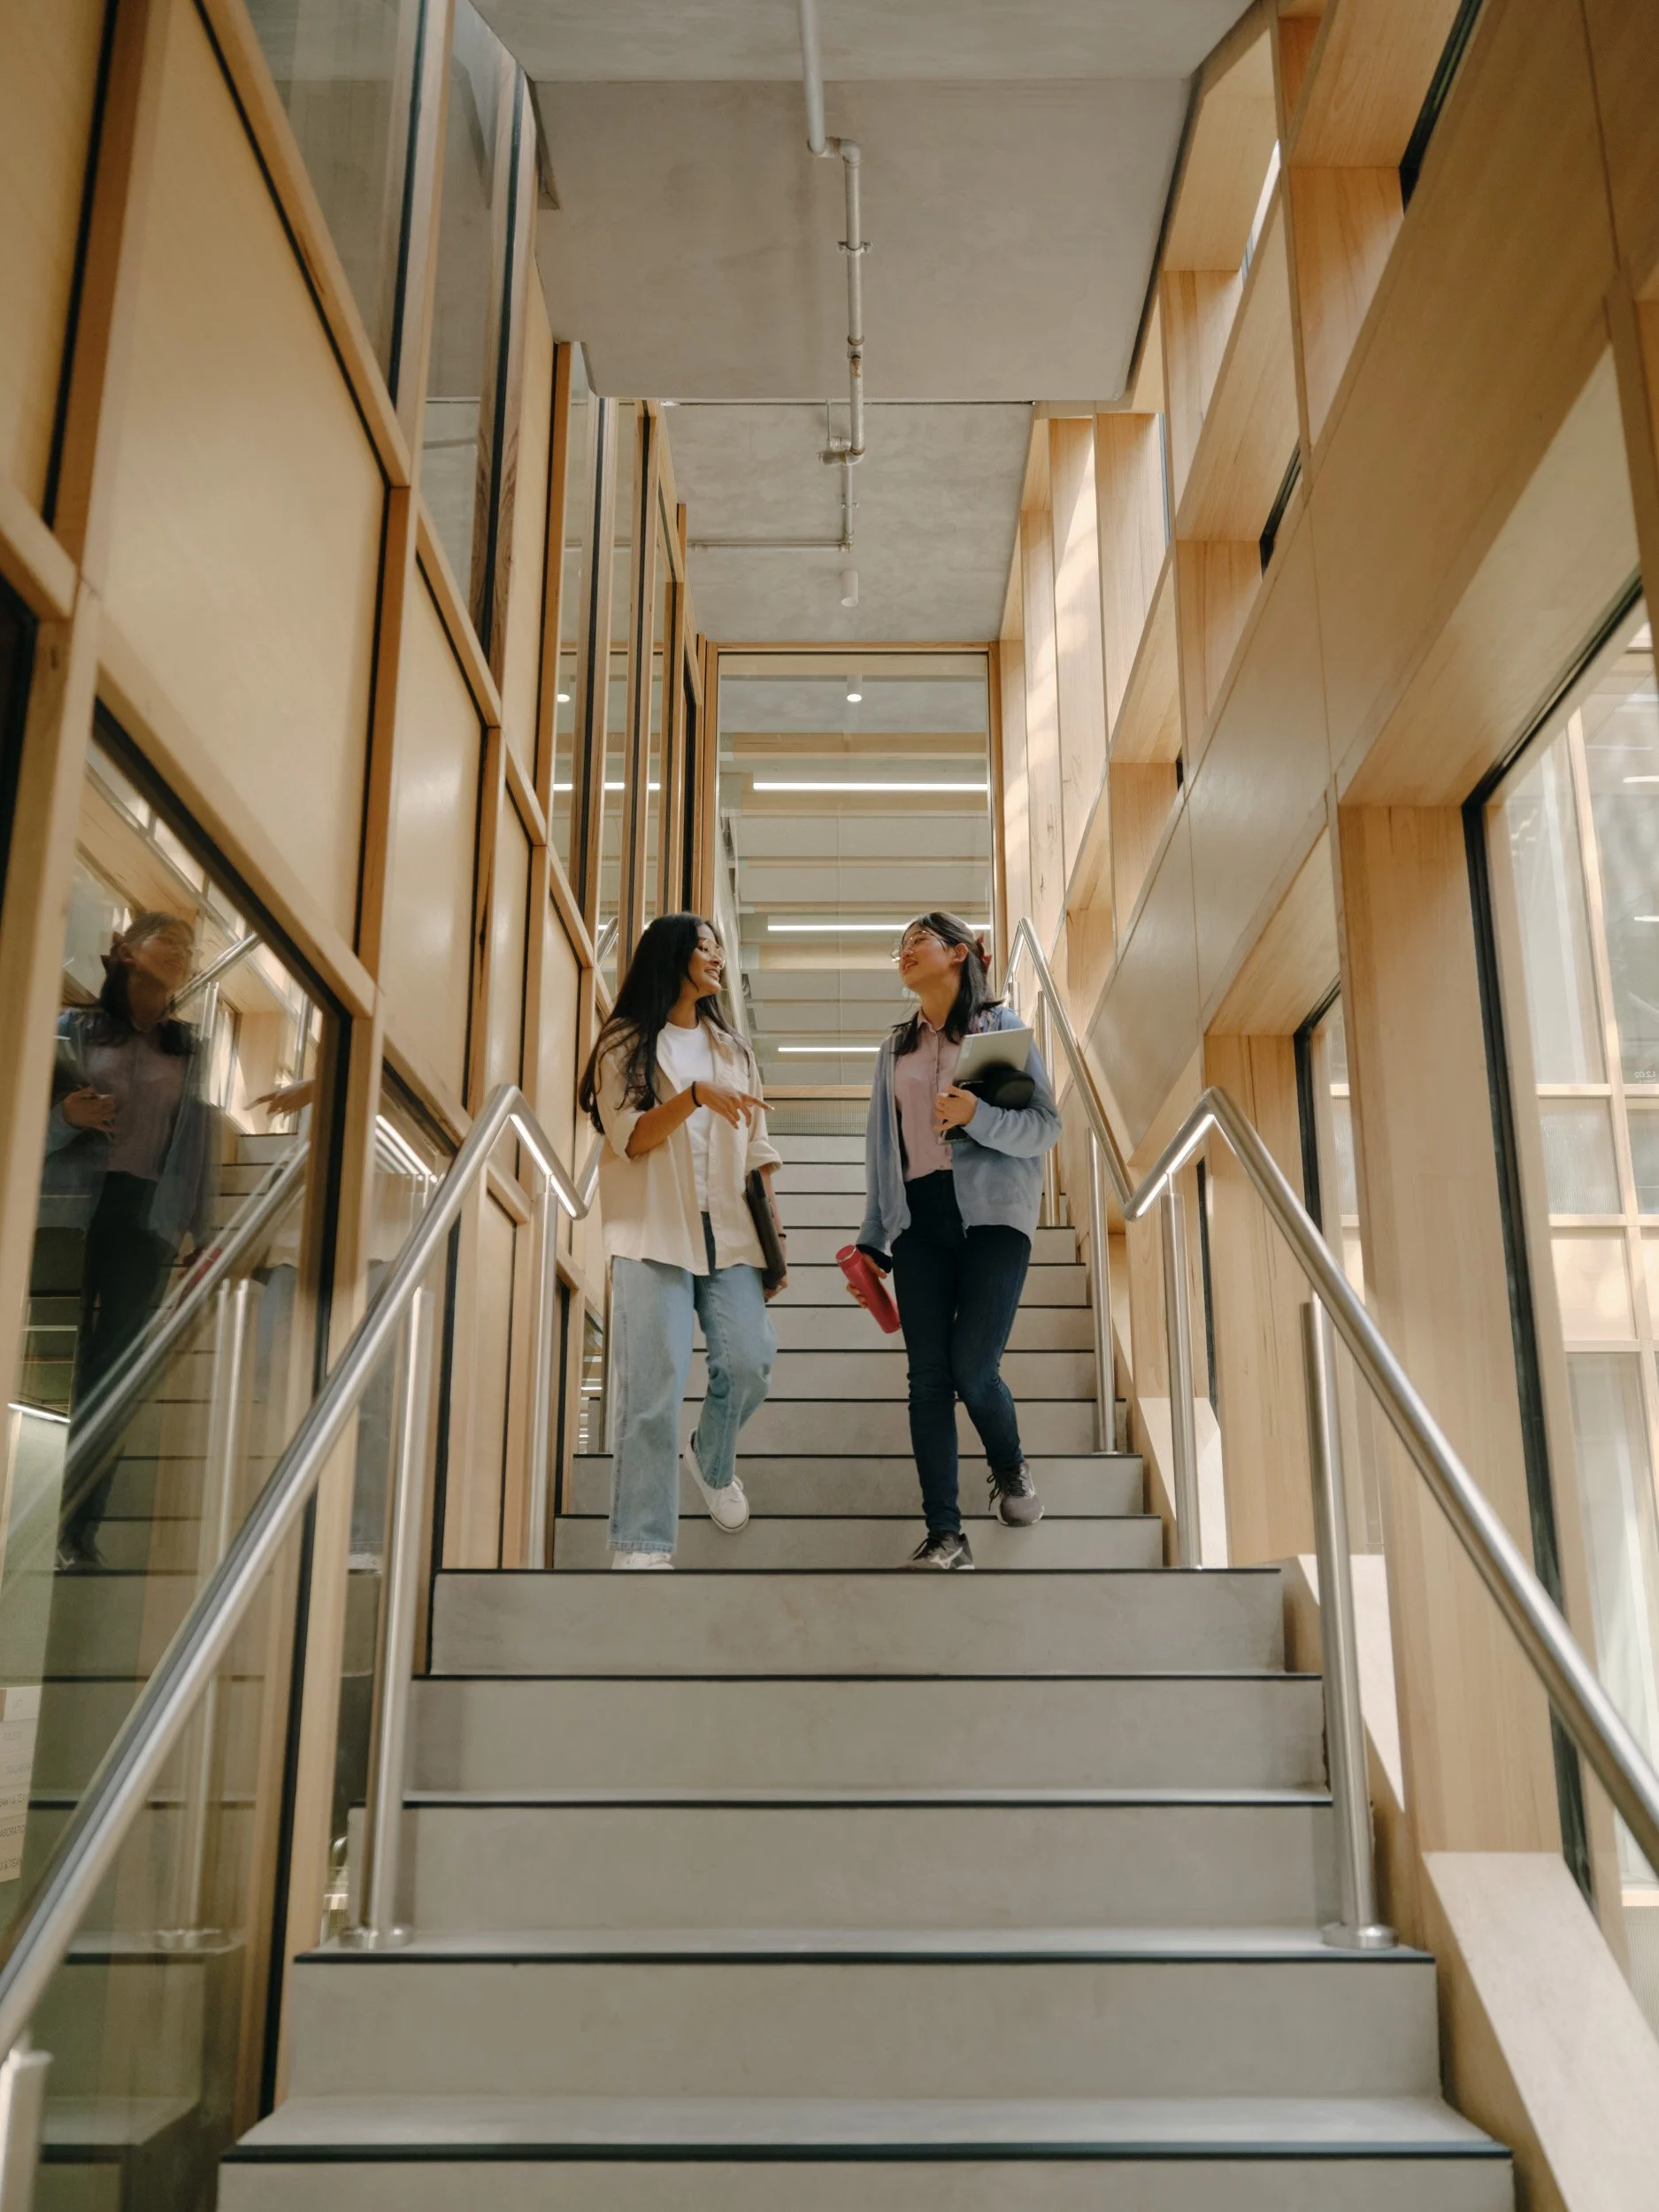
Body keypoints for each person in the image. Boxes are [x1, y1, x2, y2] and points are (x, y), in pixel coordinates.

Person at [856, 912, 1061, 1570]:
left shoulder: (1000, 1030)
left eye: (919, 939)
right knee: (926, 1379)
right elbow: (880, 1150)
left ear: (960, 954)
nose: (905, 952)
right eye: (900, 946)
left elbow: (1043, 1127)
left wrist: (980, 1115)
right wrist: (872, 1237)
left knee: (974, 1367)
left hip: (994, 1216)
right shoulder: (895, 1050)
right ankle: (945, 1534)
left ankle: (1010, 1466)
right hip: (918, 1219)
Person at [578, 914, 785, 1568]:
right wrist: (693, 1097)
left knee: (750, 1363)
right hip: (651, 1230)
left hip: (729, 1230)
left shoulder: (735, 1052)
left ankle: (711, 1460)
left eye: (719, 946)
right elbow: (631, 1136)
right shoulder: (623, 1043)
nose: (717, 957)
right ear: (671, 956)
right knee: (653, 1386)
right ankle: (641, 1541)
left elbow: (756, 1150)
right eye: (704, 946)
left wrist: (772, 1234)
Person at [39, 911, 218, 1567]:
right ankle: (33, 1514)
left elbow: (195, 1140)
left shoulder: (188, 1046)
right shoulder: (71, 1028)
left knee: (114, 1375)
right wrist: (64, 1117)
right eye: (163, 940)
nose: (179, 951)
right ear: (126, 954)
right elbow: (23, 1112)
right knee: (59, 1364)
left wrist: (204, 1228)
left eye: (186, 948)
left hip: (149, 1217)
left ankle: (78, 1529)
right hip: (68, 1205)